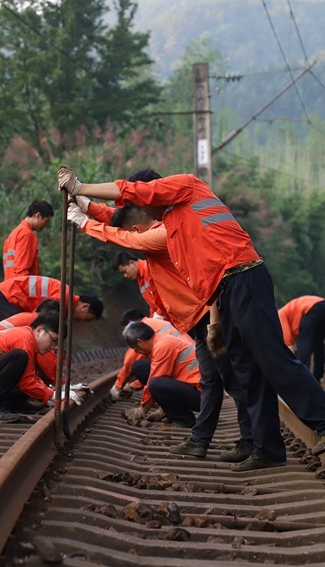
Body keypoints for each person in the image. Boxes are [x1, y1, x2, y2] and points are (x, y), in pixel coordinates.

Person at [59, 166, 325, 470]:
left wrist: (81, 190)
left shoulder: (185, 186)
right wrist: (87, 208)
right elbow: (128, 226)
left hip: (245, 277)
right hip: (226, 291)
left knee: (273, 359)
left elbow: (131, 208)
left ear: (154, 190)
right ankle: (267, 448)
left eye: (143, 200)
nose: (143, 209)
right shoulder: (173, 224)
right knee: (247, 371)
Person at [70, 192, 255, 463]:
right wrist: (87, 206)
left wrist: (84, 222)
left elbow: (124, 234)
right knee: (213, 380)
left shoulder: (161, 234)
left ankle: (251, 440)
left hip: (206, 317)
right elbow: (121, 224)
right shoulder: (151, 230)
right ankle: (201, 440)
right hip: (194, 320)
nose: (130, 226)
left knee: (232, 380)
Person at [0, 312, 85, 423]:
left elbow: (29, 378)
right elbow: (27, 383)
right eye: (53, 340)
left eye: (56, 345)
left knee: (27, 371)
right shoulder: (24, 338)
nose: (53, 347)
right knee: (19, 357)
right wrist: (53, 395)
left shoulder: (28, 341)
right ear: (39, 331)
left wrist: (49, 395)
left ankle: (13, 405)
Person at [121, 320, 201, 427]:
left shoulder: (162, 346)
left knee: (156, 384)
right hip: (203, 391)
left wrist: (142, 410)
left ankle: (183, 419)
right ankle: (168, 411)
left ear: (140, 342)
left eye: (134, 348)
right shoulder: (161, 340)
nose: (135, 352)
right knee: (144, 370)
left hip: (204, 397)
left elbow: (153, 380)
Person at [0, 275, 104, 323]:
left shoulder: (65, 308)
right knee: (17, 331)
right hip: (8, 295)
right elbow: (39, 319)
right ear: (85, 306)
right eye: (87, 319)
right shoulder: (64, 298)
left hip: (11, 296)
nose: (82, 321)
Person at [277, 296, 325, 381]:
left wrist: (288, 367)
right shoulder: (287, 314)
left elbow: (289, 345)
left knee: (304, 343)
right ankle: (318, 375)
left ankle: (302, 378)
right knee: (318, 343)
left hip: (314, 308)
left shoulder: (279, 316)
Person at [2, 200, 54, 280]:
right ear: (38, 216)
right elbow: (21, 271)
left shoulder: (13, 234)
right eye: (46, 221)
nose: (45, 226)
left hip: (10, 287)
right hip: (19, 289)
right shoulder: (26, 234)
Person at [112, 251, 162, 318]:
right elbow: (153, 304)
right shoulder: (140, 278)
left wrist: (159, 314)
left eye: (125, 271)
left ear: (131, 263)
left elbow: (166, 295)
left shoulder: (150, 269)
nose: (125, 276)